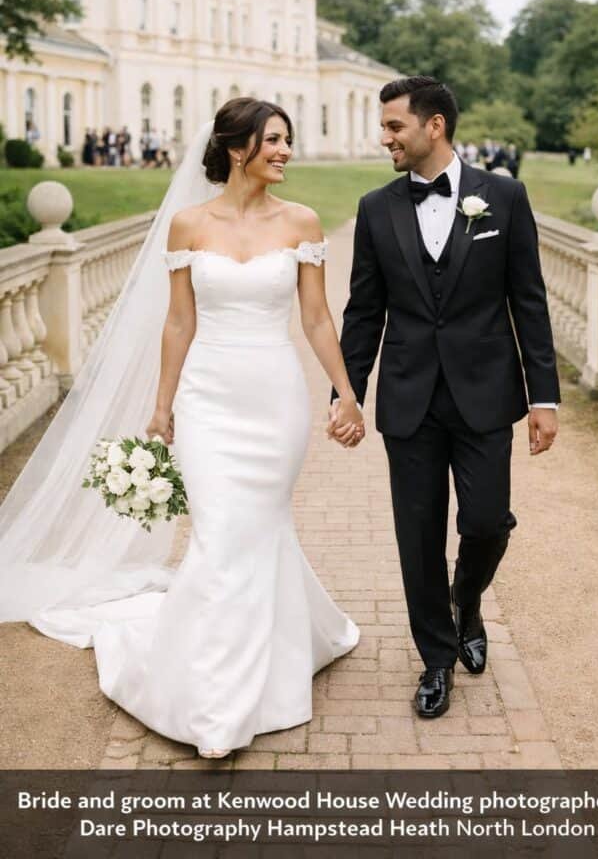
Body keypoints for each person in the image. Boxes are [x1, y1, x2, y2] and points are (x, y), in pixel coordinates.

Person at [0, 98, 362, 759]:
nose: (285, 151)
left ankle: (273, 658)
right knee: (221, 535)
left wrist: (344, 392)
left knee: (260, 527)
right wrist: (163, 407)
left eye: (287, 140)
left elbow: (314, 319)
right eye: (273, 140)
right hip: (207, 400)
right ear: (235, 147)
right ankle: (217, 707)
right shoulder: (189, 226)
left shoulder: (302, 222)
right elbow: (178, 323)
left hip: (275, 400)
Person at [329, 76, 559, 719]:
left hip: (486, 394)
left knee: (486, 522)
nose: (385, 138)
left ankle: (468, 598)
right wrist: (346, 393)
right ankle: (436, 658)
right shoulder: (376, 208)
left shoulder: (504, 197)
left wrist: (546, 398)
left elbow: (529, 302)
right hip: (409, 398)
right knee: (418, 533)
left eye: (395, 126)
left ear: (435, 126)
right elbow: (364, 310)